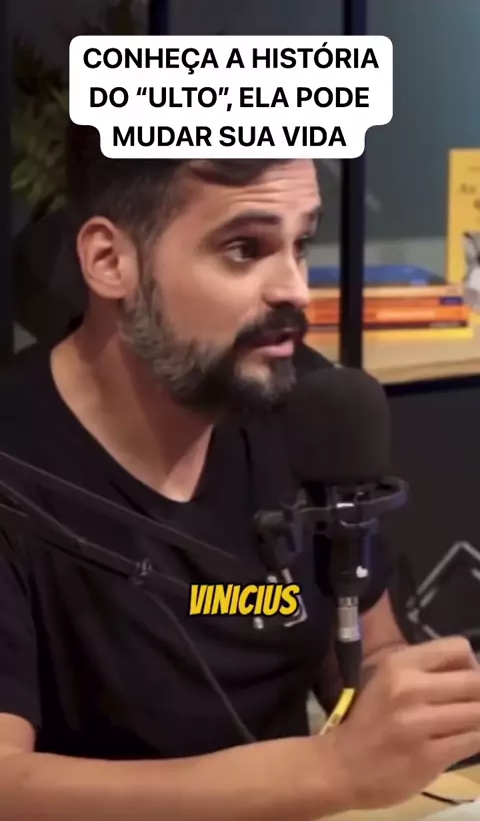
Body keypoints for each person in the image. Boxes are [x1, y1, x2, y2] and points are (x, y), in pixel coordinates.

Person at [0, 127, 479, 821]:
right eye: (244, 249)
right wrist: (327, 771)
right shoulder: (16, 463)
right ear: (110, 261)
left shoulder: (300, 404)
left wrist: (401, 711)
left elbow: (367, 653)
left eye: (301, 244)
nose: (295, 290)